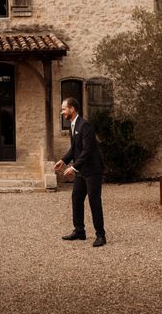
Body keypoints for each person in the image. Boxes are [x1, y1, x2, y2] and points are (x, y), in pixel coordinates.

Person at [54, 98, 106, 247]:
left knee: (94, 201)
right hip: (81, 170)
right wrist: (63, 160)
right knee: (76, 198)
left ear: (72, 109)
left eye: (64, 109)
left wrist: (74, 167)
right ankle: (79, 231)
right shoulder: (73, 124)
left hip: (92, 170)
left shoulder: (85, 125)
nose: (62, 112)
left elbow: (88, 150)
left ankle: (101, 235)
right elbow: (75, 148)